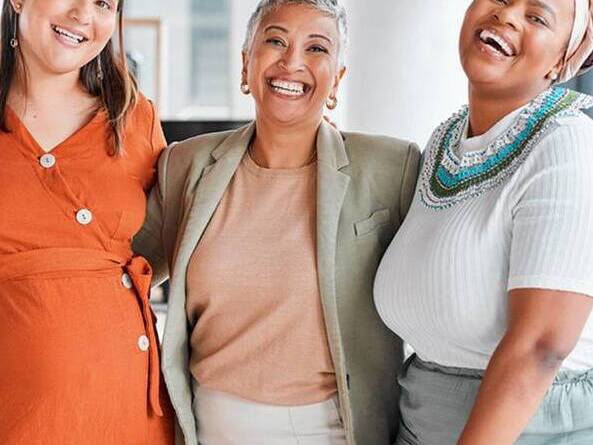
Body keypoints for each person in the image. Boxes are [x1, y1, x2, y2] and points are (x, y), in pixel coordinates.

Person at [133, 0, 420, 444]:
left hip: (332, 429)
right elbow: (121, 271)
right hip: (210, 425)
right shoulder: (184, 165)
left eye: (316, 48)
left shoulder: (391, 167)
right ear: (246, 64)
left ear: (337, 79)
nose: (292, 62)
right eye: (275, 41)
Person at [374, 0, 593, 444]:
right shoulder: (448, 139)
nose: (507, 15)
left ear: (563, 62)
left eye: (537, 17)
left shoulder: (566, 144)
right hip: (420, 420)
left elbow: (540, 348)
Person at [0, 0, 174, 444]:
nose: (83, 13)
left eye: (103, 3)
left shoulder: (135, 120)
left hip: (127, 410)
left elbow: (172, 238)